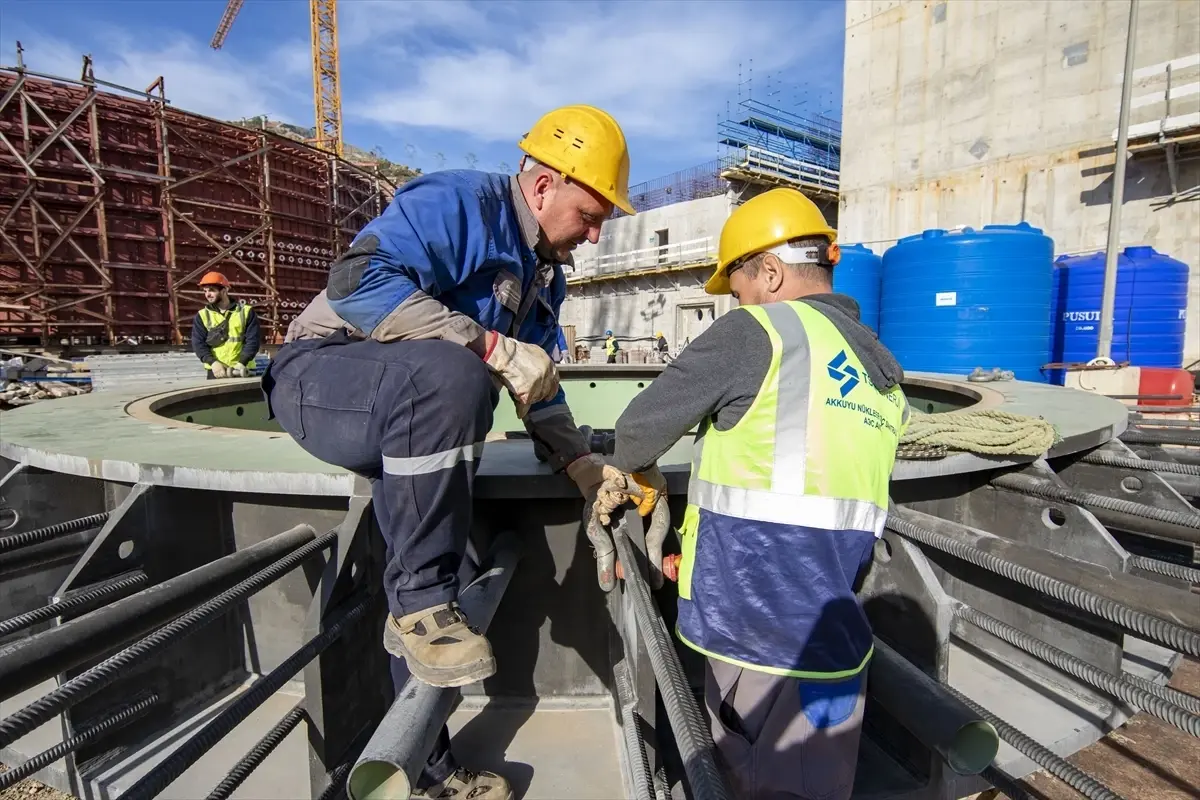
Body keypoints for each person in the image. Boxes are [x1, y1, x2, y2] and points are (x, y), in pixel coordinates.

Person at [262, 105, 636, 800]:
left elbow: (538, 382)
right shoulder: (461, 202)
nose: (593, 235)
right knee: (454, 376)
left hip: (415, 413)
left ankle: (431, 770)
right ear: (545, 184)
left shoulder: (542, 277)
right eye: (590, 214)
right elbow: (356, 285)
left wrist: (581, 463)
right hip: (324, 375)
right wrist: (490, 344)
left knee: (438, 560)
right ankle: (421, 600)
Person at [594, 188, 910, 800]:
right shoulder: (881, 367)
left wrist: (640, 471)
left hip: (756, 624)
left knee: (744, 779)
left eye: (736, 286)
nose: (734, 301)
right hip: (834, 628)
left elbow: (637, 430)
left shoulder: (760, 331)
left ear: (769, 270)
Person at [190, 271, 260, 379]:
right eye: (205, 291)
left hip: (242, 369)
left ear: (224, 291)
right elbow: (198, 344)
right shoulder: (202, 315)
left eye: (212, 290)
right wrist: (213, 363)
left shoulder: (246, 312)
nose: (207, 294)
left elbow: (253, 340)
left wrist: (242, 363)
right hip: (216, 371)